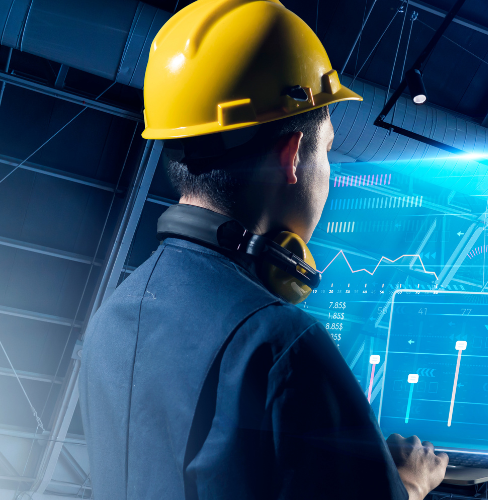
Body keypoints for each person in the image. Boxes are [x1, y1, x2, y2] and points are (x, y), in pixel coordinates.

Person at [79, 0, 448, 498]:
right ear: (293, 156)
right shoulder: (279, 346)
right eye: (328, 150)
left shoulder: (112, 319)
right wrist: (407, 481)